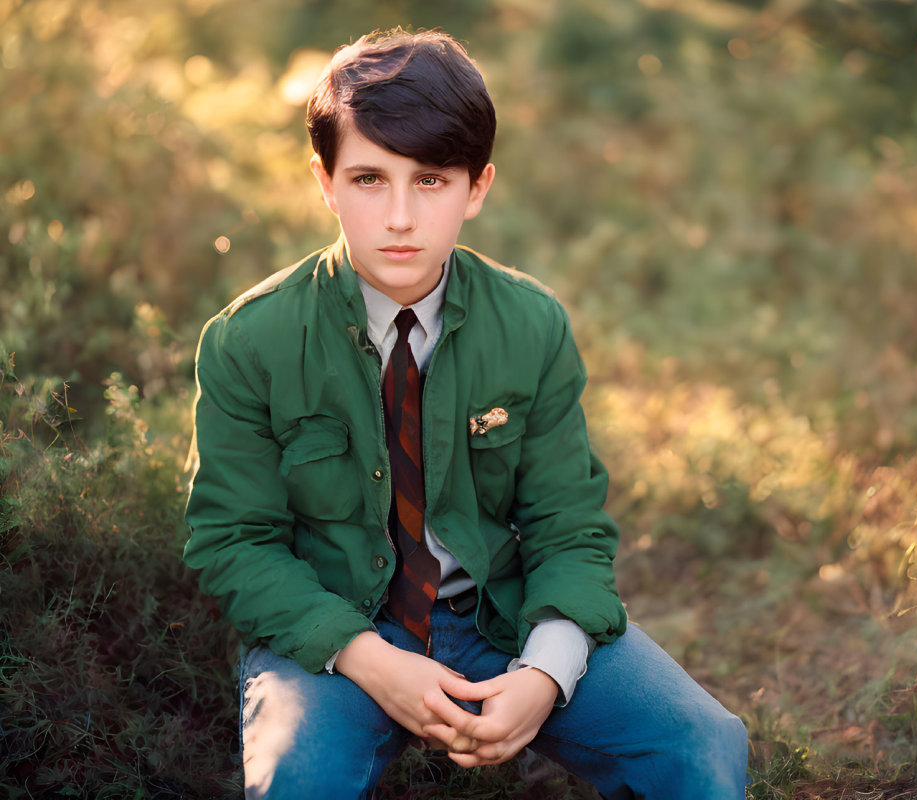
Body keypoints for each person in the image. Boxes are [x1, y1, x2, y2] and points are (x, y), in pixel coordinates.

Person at [183, 27, 747, 799]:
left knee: (704, 743)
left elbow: (568, 528)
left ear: (478, 187)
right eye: (370, 180)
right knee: (297, 779)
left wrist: (545, 673)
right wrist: (368, 659)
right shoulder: (249, 341)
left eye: (433, 181)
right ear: (324, 181)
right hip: (336, 629)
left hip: (499, 616)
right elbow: (233, 542)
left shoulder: (532, 325)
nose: (401, 219)